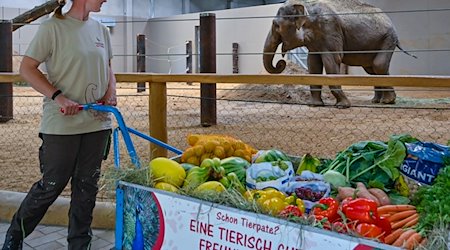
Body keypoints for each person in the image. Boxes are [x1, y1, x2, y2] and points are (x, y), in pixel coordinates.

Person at [2, 0, 116, 249]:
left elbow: (108, 66)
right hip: (61, 125)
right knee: (50, 186)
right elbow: (27, 68)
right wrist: (59, 97)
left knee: (87, 188)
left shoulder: (102, 31)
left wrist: (111, 91)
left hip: (97, 124)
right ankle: (15, 236)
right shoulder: (52, 28)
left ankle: (79, 243)